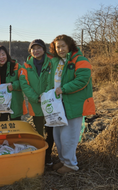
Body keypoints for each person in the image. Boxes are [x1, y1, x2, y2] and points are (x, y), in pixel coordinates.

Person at [48, 34, 95, 174]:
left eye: (63, 46)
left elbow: (82, 80)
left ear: (69, 46)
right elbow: (51, 81)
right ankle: (63, 160)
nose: (60, 49)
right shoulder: (57, 62)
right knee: (58, 134)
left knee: (69, 136)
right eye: (58, 47)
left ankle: (71, 165)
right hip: (58, 104)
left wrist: (64, 89)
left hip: (74, 104)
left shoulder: (80, 60)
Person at [19, 39, 54, 166]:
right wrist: (35, 97)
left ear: (43, 50)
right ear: (30, 51)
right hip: (35, 104)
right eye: (33, 49)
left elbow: (52, 80)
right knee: (39, 132)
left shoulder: (51, 63)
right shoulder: (25, 66)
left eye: (38, 48)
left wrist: (45, 96)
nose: (36, 51)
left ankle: (48, 154)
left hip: (50, 102)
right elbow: (24, 84)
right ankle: (40, 155)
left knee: (50, 131)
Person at [0, 45, 24, 121]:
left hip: (14, 103)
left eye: (3, 54)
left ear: (7, 55)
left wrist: (14, 85)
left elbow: (24, 82)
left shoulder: (16, 67)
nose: (1, 57)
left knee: (15, 129)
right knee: (2, 129)